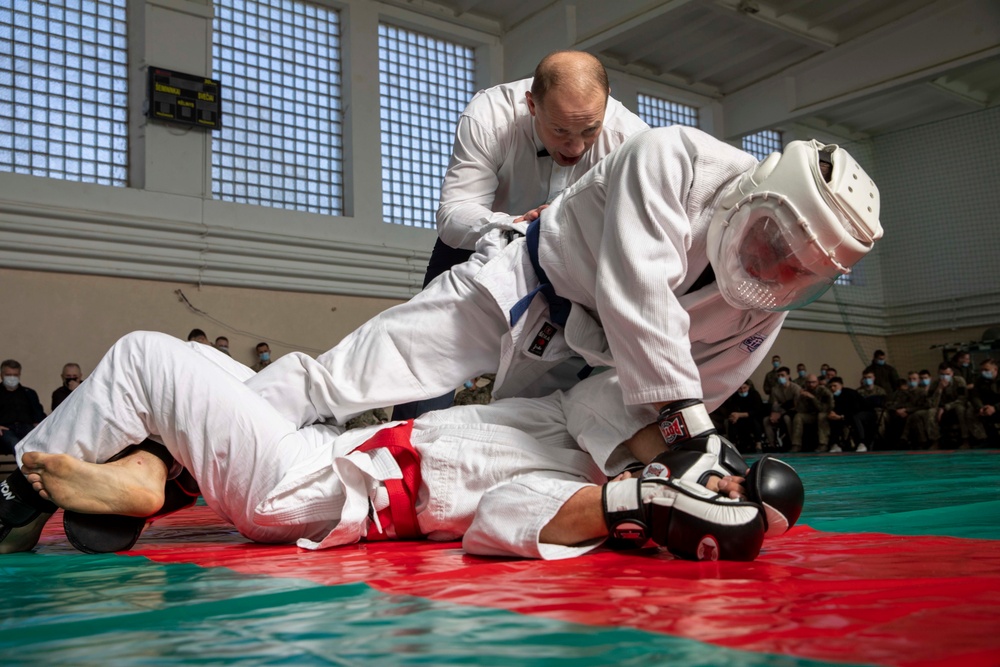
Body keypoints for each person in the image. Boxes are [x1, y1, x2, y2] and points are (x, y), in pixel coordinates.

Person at [247, 128, 883, 460]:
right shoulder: (674, 158)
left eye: (796, 270)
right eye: (774, 239)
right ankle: (202, 433)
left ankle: (334, 469)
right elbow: (638, 293)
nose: (770, 266)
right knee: (359, 372)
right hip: (525, 283)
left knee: (504, 452)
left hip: (602, 367)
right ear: (757, 188)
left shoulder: (764, 306)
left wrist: (681, 457)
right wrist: (689, 430)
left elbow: (698, 388)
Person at [2, 332, 802, 562]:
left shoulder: (589, 508)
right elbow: (637, 390)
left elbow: (498, 521)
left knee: (146, 357)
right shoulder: (589, 420)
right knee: (216, 370)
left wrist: (643, 503)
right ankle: (153, 470)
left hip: (314, 487)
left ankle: (17, 493)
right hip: (325, 448)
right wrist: (675, 462)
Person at [393, 50, 649, 422]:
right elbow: (453, 216)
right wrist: (518, 226)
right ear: (531, 104)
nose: (575, 148)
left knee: (567, 366)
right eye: (560, 130)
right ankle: (400, 451)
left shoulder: (634, 141)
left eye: (589, 130)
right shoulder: (489, 114)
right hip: (479, 241)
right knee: (429, 352)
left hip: (571, 257)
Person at [0, 360, 45, 456]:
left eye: (15, 375)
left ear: (19, 375)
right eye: (8, 374)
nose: (12, 377)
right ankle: (25, 469)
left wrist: (38, 424)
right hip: (5, 429)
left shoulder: (29, 393)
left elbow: (39, 413)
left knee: (38, 445)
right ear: (1, 375)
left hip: (27, 427)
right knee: (15, 444)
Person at [927, 362, 970, 449]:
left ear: (952, 373)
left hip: (955, 406)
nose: (945, 376)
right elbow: (931, 403)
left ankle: (966, 441)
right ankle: (935, 442)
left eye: (947, 374)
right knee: (931, 412)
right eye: (942, 374)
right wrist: (939, 389)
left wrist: (945, 407)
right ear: (938, 374)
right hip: (940, 409)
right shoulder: (935, 384)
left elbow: (962, 399)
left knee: (960, 409)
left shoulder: (959, 381)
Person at [826, 377, 874, 452]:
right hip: (847, 415)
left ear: (841, 385)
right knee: (832, 419)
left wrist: (841, 416)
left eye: (835, 386)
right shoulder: (833, 396)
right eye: (831, 386)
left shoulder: (850, 393)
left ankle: (862, 443)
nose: (832, 388)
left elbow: (855, 409)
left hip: (865, 413)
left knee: (855, 417)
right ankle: (836, 444)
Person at [790, 374, 833, 453]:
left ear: (817, 382)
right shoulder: (804, 391)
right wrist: (801, 398)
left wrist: (812, 398)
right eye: (809, 382)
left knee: (821, 416)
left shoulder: (823, 391)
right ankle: (796, 444)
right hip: (811, 415)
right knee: (798, 416)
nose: (811, 385)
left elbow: (823, 409)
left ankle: (823, 444)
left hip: (824, 414)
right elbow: (800, 410)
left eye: (813, 382)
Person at [719, 381, 764, 453]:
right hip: (738, 419)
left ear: (748, 387)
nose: (742, 391)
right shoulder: (734, 396)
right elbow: (731, 409)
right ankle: (733, 446)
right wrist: (733, 416)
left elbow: (756, 410)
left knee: (755, 422)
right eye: (740, 388)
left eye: (744, 388)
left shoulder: (754, 395)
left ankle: (758, 444)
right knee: (731, 421)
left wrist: (739, 415)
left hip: (751, 417)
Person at [763, 367, 801, 451]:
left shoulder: (795, 388)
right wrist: (774, 414)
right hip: (779, 412)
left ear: (788, 376)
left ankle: (793, 443)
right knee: (766, 420)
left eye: (782, 375)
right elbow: (775, 405)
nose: (780, 377)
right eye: (779, 375)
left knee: (787, 418)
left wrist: (781, 411)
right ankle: (772, 445)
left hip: (792, 412)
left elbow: (796, 406)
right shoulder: (775, 389)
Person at [968, 358, 1000, 447]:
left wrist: (995, 408)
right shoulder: (979, 381)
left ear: (995, 369)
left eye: (986, 370)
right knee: (970, 412)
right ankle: (984, 439)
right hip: (986, 407)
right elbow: (975, 396)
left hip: (997, 407)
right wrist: (980, 407)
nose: (983, 372)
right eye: (981, 370)